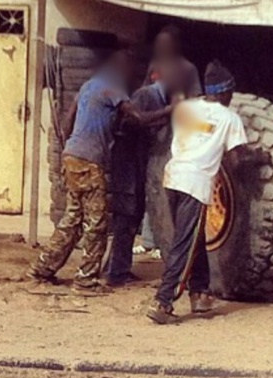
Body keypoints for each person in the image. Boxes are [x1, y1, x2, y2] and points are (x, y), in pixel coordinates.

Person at [26, 50, 174, 293]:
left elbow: (66, 121)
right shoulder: (112, 89)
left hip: (72, 157)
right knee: (96, 223)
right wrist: (168, 112)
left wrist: (72, 146)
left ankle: (42, 269)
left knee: (72, 219)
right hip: (89, 162)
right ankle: (85, 280)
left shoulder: (88, 86)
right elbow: (138, 118)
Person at [147, 61, 250, 324]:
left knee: (194, 239)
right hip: (195, 184)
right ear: (226, 92)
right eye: (231, 92)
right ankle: (163, 300)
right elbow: (237, 161)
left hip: (173, 178)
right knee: (185, 243)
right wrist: (259, 157)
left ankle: (200, 295)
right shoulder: (229, 118)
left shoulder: (185, 109)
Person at [136, 24, 203, 260]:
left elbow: (195, 100)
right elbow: (145, 92)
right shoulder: (156, 66)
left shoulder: (188, 69)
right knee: (152, 186)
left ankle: (168, 240)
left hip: (178, 135)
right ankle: (148, 241)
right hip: (157, 133)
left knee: (171, 187)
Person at [105, 75, 178, 286]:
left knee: (130, 218)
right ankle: (116, 273)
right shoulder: (147, 95)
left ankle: (116, 267)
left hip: (135, 168)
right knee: (126, 219)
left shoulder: (158, 98)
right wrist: (166, 113)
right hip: (127, 167)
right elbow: (130, 121)